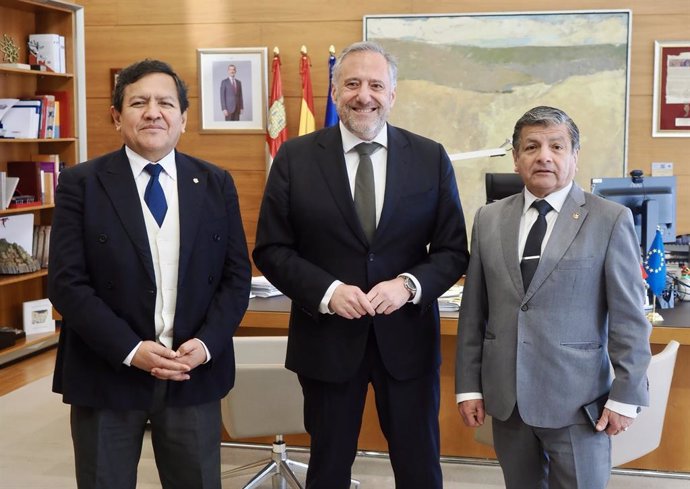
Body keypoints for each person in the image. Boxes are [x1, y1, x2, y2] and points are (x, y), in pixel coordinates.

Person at [252, 41, 469, 489]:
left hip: (407, 342)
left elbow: (452, 251)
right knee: (328, 470)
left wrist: (408, 285)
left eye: (375, 85)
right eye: (352, 83)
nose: (363, 95)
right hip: (327, 343)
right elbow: (272, 249)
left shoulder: (430, 157)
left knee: (420, 468)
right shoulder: (295, 158)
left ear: (393, 94)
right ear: (334, 93)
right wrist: (328, 293)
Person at [49, 59, 251, 489]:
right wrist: (129, 349)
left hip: (191, 372)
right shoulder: (80, 184)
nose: (152, 112)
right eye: (138, 102)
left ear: (183, 118)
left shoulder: (216, 183)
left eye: (165, 102)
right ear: (117, 116)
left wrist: (207, 344)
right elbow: (66, 282)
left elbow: (236, 277)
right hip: (107, 371)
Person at [455, 106, 652, 489]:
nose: (543, 155)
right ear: (516, 159)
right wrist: (469, 386)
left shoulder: (609, 219)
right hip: (508, 401)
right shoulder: (489, 219)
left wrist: (626, 396)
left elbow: (630, 318)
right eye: (531, 147)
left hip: (578, 404)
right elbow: (474, 312)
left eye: (556, 146)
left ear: (574, 158)